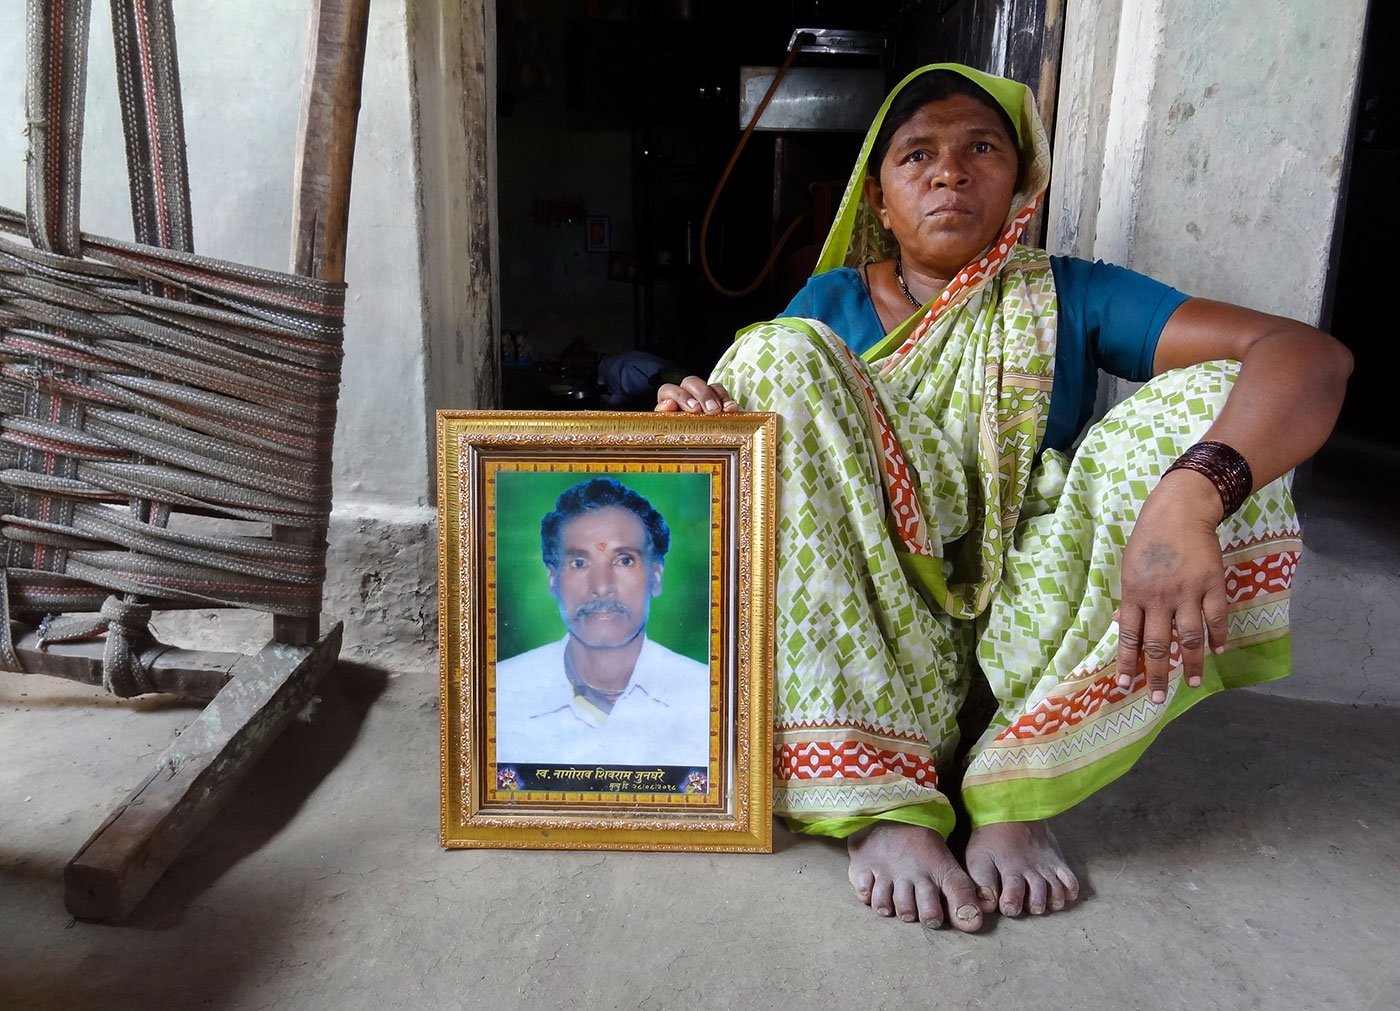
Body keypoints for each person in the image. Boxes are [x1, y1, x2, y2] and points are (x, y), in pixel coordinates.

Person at [656, 64, 1352, 931]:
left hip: (1028, 623)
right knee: (772, 357)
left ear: (1020, 178)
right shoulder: (831, 303)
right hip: (872, 622)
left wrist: (1191, 496)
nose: (949, 173)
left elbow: (1303, 356)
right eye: (918, 156)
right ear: (878, 196)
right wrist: (706, 414)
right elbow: (775, 458)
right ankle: (880, 796)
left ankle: (1018, 782)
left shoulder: (1067, 292)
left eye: (980, 148)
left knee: (1220, 404)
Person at [495, 476, 712, 768]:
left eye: (624, 560)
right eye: (579, 563)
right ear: (553, 578)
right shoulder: (500, 693)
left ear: (656, 576)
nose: (601, 586)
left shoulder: (707, 697)